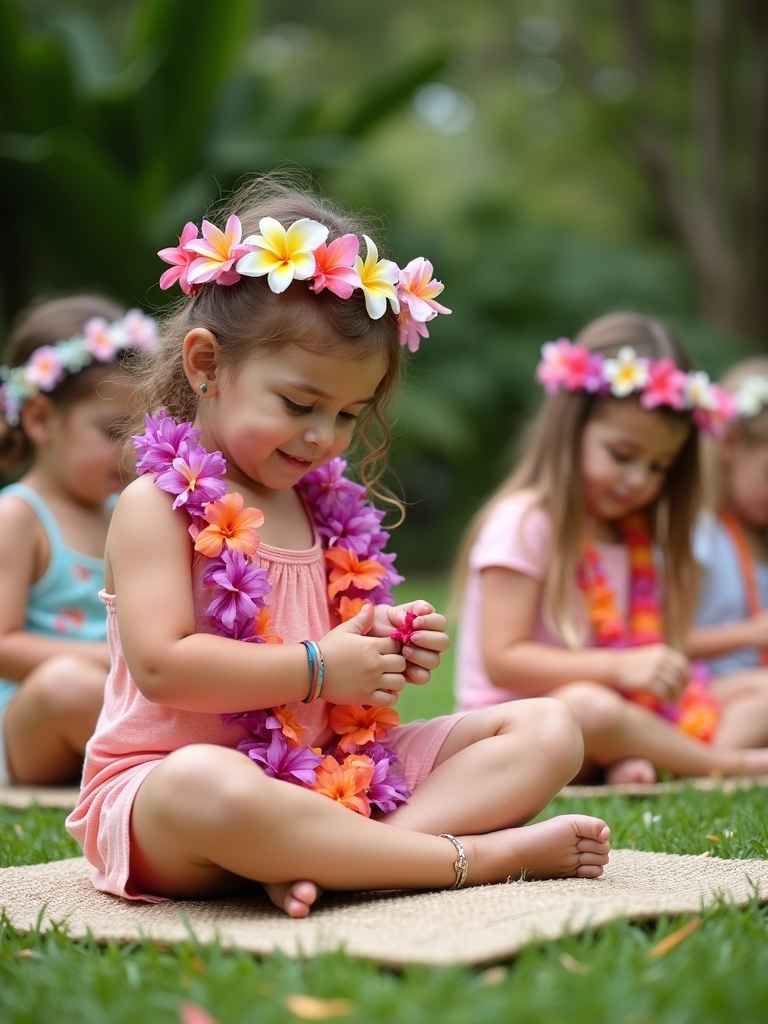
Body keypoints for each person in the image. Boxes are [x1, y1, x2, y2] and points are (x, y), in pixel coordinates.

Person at [66, 178, 610, 920]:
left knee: (548, 728)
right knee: (207, 783)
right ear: (206, 365)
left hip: (323, 780)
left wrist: (379, 651)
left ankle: (350, 864)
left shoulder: (320, 508)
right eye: (299, 404)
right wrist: (322, 667)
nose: (324, 437)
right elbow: (162, 668)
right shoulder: (155, 505)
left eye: (350, 413)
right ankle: (466, 858)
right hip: (173, 798)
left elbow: (338, 682)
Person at [453, 311, 768, 785]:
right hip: (517, 726)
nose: (638, 480)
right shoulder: (524, 522)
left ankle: (648, 758)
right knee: (586, 706)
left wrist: (652, 667)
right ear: (571, 428)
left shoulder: (631, 534)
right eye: (622, 455)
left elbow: (650, 644)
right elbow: (503, 661)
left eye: (659, 466)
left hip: (618, 708)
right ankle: (731, 765)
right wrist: (621, 667)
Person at [0, 295, 155, 785]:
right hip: (30, 721)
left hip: (118, 698)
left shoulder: (128, 511)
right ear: (42, 419)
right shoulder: (18, 517)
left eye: (139, 429)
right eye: (112, 430)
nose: (131, 450)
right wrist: (117, 658)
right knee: (66, 687)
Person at [687, 358, 768, 747]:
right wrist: (751, 634)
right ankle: (704, 759)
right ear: (731, 445)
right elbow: (665, 638)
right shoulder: (701, 533)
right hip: (700, 693)